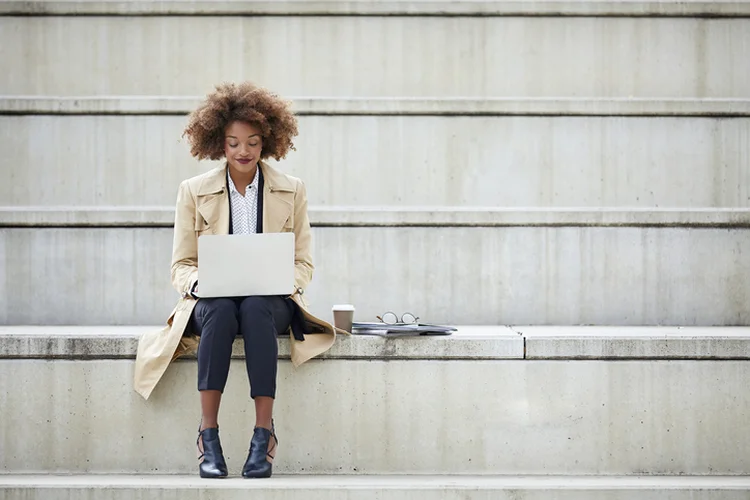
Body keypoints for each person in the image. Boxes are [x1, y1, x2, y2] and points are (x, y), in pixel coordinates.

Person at [133, 82, 341, 479]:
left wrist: (284, 280)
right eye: (233, 143)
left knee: (257, 307)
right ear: (218, 144)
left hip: (271, 300)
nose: (243, 151)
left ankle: (264, 435)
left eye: (252, 142)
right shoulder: (193, 192)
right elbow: (181, 264)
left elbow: (304, 262)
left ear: (267, 142)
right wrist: (201, 283)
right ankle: (207, 435)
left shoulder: (291, 189)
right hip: (212, 301)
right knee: (223, 309)